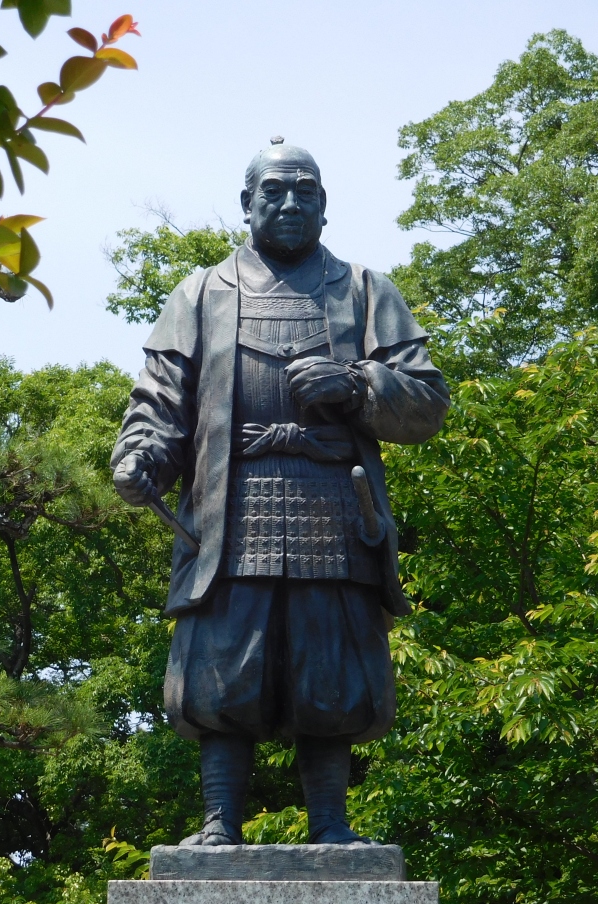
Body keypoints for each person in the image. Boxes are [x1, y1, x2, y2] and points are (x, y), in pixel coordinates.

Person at [111, 140, 449, 845]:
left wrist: (355, 383)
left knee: (330, 673)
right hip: (230, 518)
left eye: (306, 191)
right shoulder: (201, 294)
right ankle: (219, 822)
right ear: (247, 203)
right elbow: (160, 403)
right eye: (275, 191)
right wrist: (142, 458)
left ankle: (331, 825)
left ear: (325, 205)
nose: (291, 203)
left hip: (336, 514)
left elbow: (426, 404)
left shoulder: (364, 290)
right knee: (223, 672)